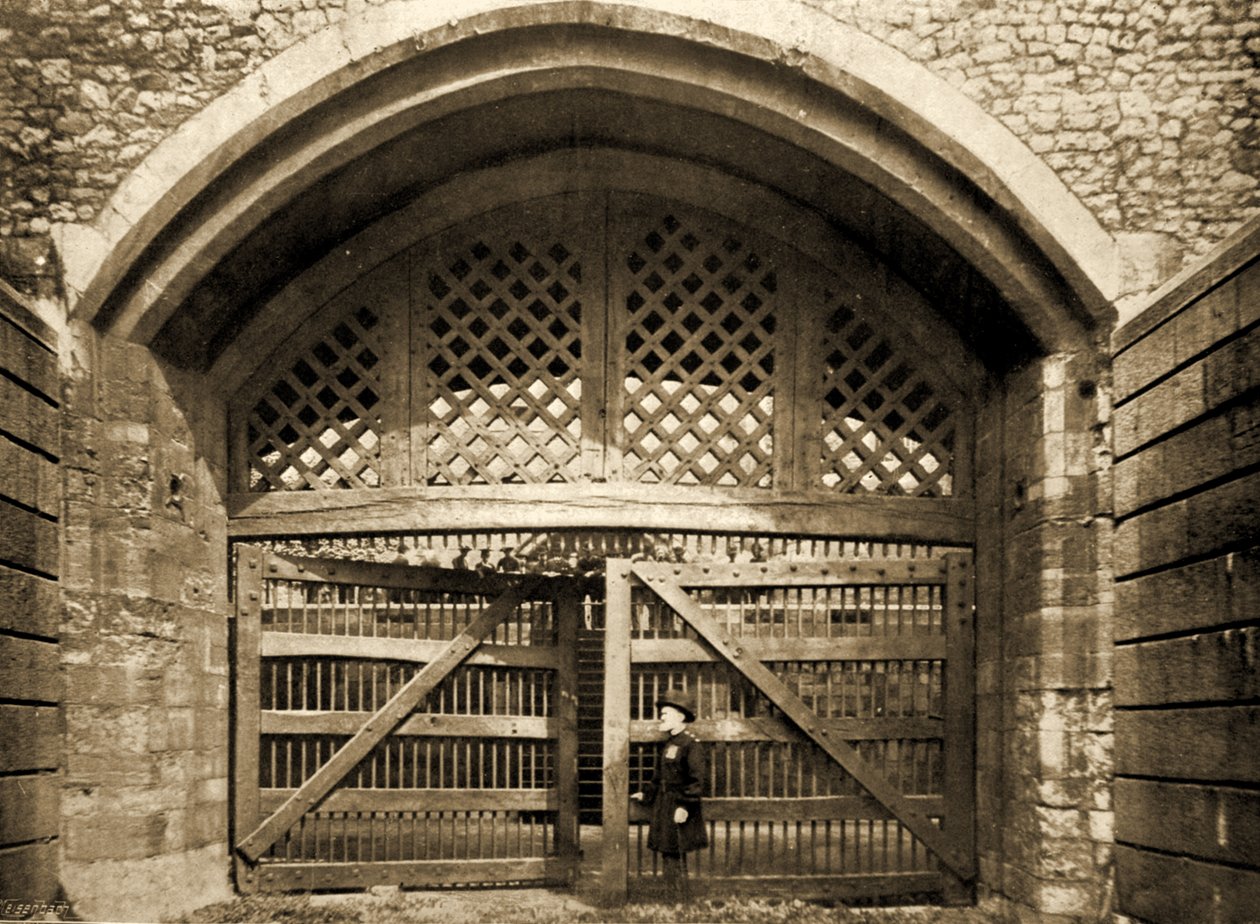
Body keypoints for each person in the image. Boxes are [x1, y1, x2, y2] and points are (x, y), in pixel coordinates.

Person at [630, 689, 707, 900]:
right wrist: (646, 794)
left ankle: (678, 899)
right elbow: (659, 776)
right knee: (669, 852)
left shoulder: (691, 746)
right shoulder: (670, 744)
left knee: (675, 852)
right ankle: (674, 897)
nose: (661, 718)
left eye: (665, 714)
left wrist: (685, 806)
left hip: (679, 805)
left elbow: (696, 781)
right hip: (665, 804)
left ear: (680, 716)